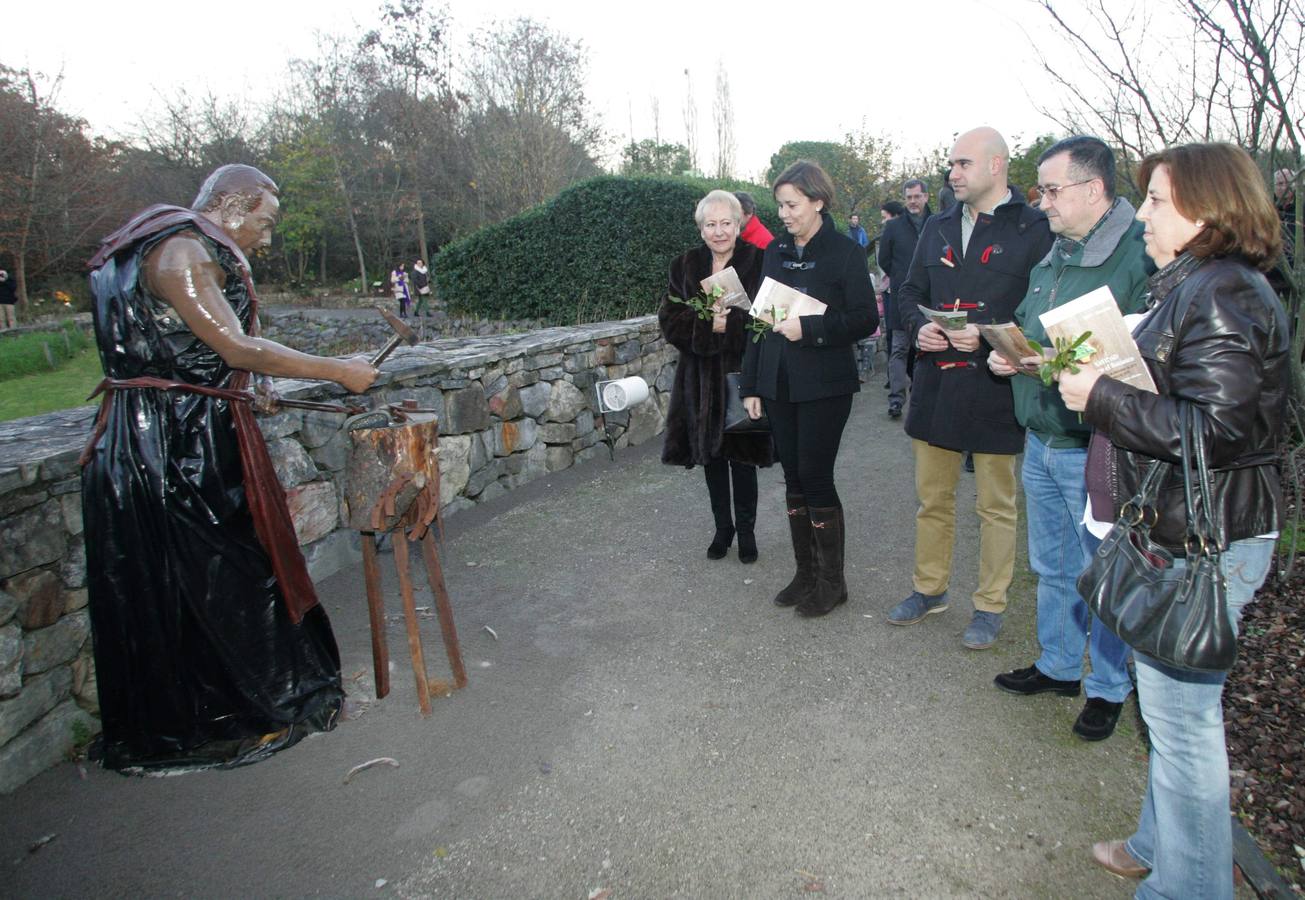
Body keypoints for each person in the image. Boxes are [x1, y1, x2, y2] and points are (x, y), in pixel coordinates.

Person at [80, 164, 378, 771]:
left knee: (223, 571)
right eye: (264, 222)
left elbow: (196, 357)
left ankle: (239, 701)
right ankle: (222, 713)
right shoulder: (181, 253)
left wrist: (246, 389)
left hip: (183, 429)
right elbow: (233, 346)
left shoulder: (170, 246)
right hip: (167, 449)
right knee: (218, 572)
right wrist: (337, 370)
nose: (266, 240)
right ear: (231, 203)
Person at [1057, 142, 1288, 900]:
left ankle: (1186, 889)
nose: (1144, 214)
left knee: (1183, 725)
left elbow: (1214, 432)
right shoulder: (1206, 284)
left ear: (1208, 207)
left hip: (1206, 536)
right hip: (1190, 527)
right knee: (1169, 715)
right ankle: (1157, 845)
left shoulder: (1222, 291)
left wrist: (1101, 396)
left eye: (1156, 200)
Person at [986, 136, 1151, 741]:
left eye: (1053, 190)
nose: (1043, 202)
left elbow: (1144, 359)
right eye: (1042, 190)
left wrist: (1056, 361)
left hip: (1097, 446)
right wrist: (1015, 357)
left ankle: (1110, 686)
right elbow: (1037, 333)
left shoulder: (1138, 255)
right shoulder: (1053, 254)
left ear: (1093, 189)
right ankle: (1058, 666)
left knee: (1101, 574)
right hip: (1043, 438)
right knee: (1050, 566)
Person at [888, 127, 1053, 649]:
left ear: (997, 165)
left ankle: (989, 605)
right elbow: (910, 291)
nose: (952, 174)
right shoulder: (935, 226)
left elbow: (1043, 310)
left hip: (996, 387)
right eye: (950, 166)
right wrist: (920, 328)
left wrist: (990, 340)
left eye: (962, 164)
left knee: (995, 506)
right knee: (931, 500)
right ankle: (929, 589)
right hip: (936, 384)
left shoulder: (1034, 227)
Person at [739, 160, 877, 617]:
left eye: (792, 204)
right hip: (778, 381)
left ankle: (832, 582)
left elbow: (866, 318)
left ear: (818, 201)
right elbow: (760, 319)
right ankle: (805, 572)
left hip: (824, 383)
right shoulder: (775, 251)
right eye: (779, 204)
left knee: (816, 477)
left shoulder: (844, 252)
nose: (784, 213)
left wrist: (811, 328)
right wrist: (752, 383)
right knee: (793, 478)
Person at [659, 190, 773, 562]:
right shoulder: (684, 266)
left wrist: (730, 324)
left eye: (726, 223)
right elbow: (670, 321)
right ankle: (722, 529)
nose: (719, 231)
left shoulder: (759, 261)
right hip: (699, 380)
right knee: (711, 458)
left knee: (742, 457)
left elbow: (768, 321)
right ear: (701, 228)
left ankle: (747, 533)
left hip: (742, 377)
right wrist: (711, 325)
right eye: (711, 224)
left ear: (739, 225)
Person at [878, 181, 933, 418]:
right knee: (899, 350)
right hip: (902, 298)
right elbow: (884, 260)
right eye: (909, 197)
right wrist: (902, 277)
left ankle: (925, 399)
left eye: (917, 196)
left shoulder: (939, 223)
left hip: (932, 299)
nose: (913, 201)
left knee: (929, 351)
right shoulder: (893, 227)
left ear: (926, 197)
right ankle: (896, 400)